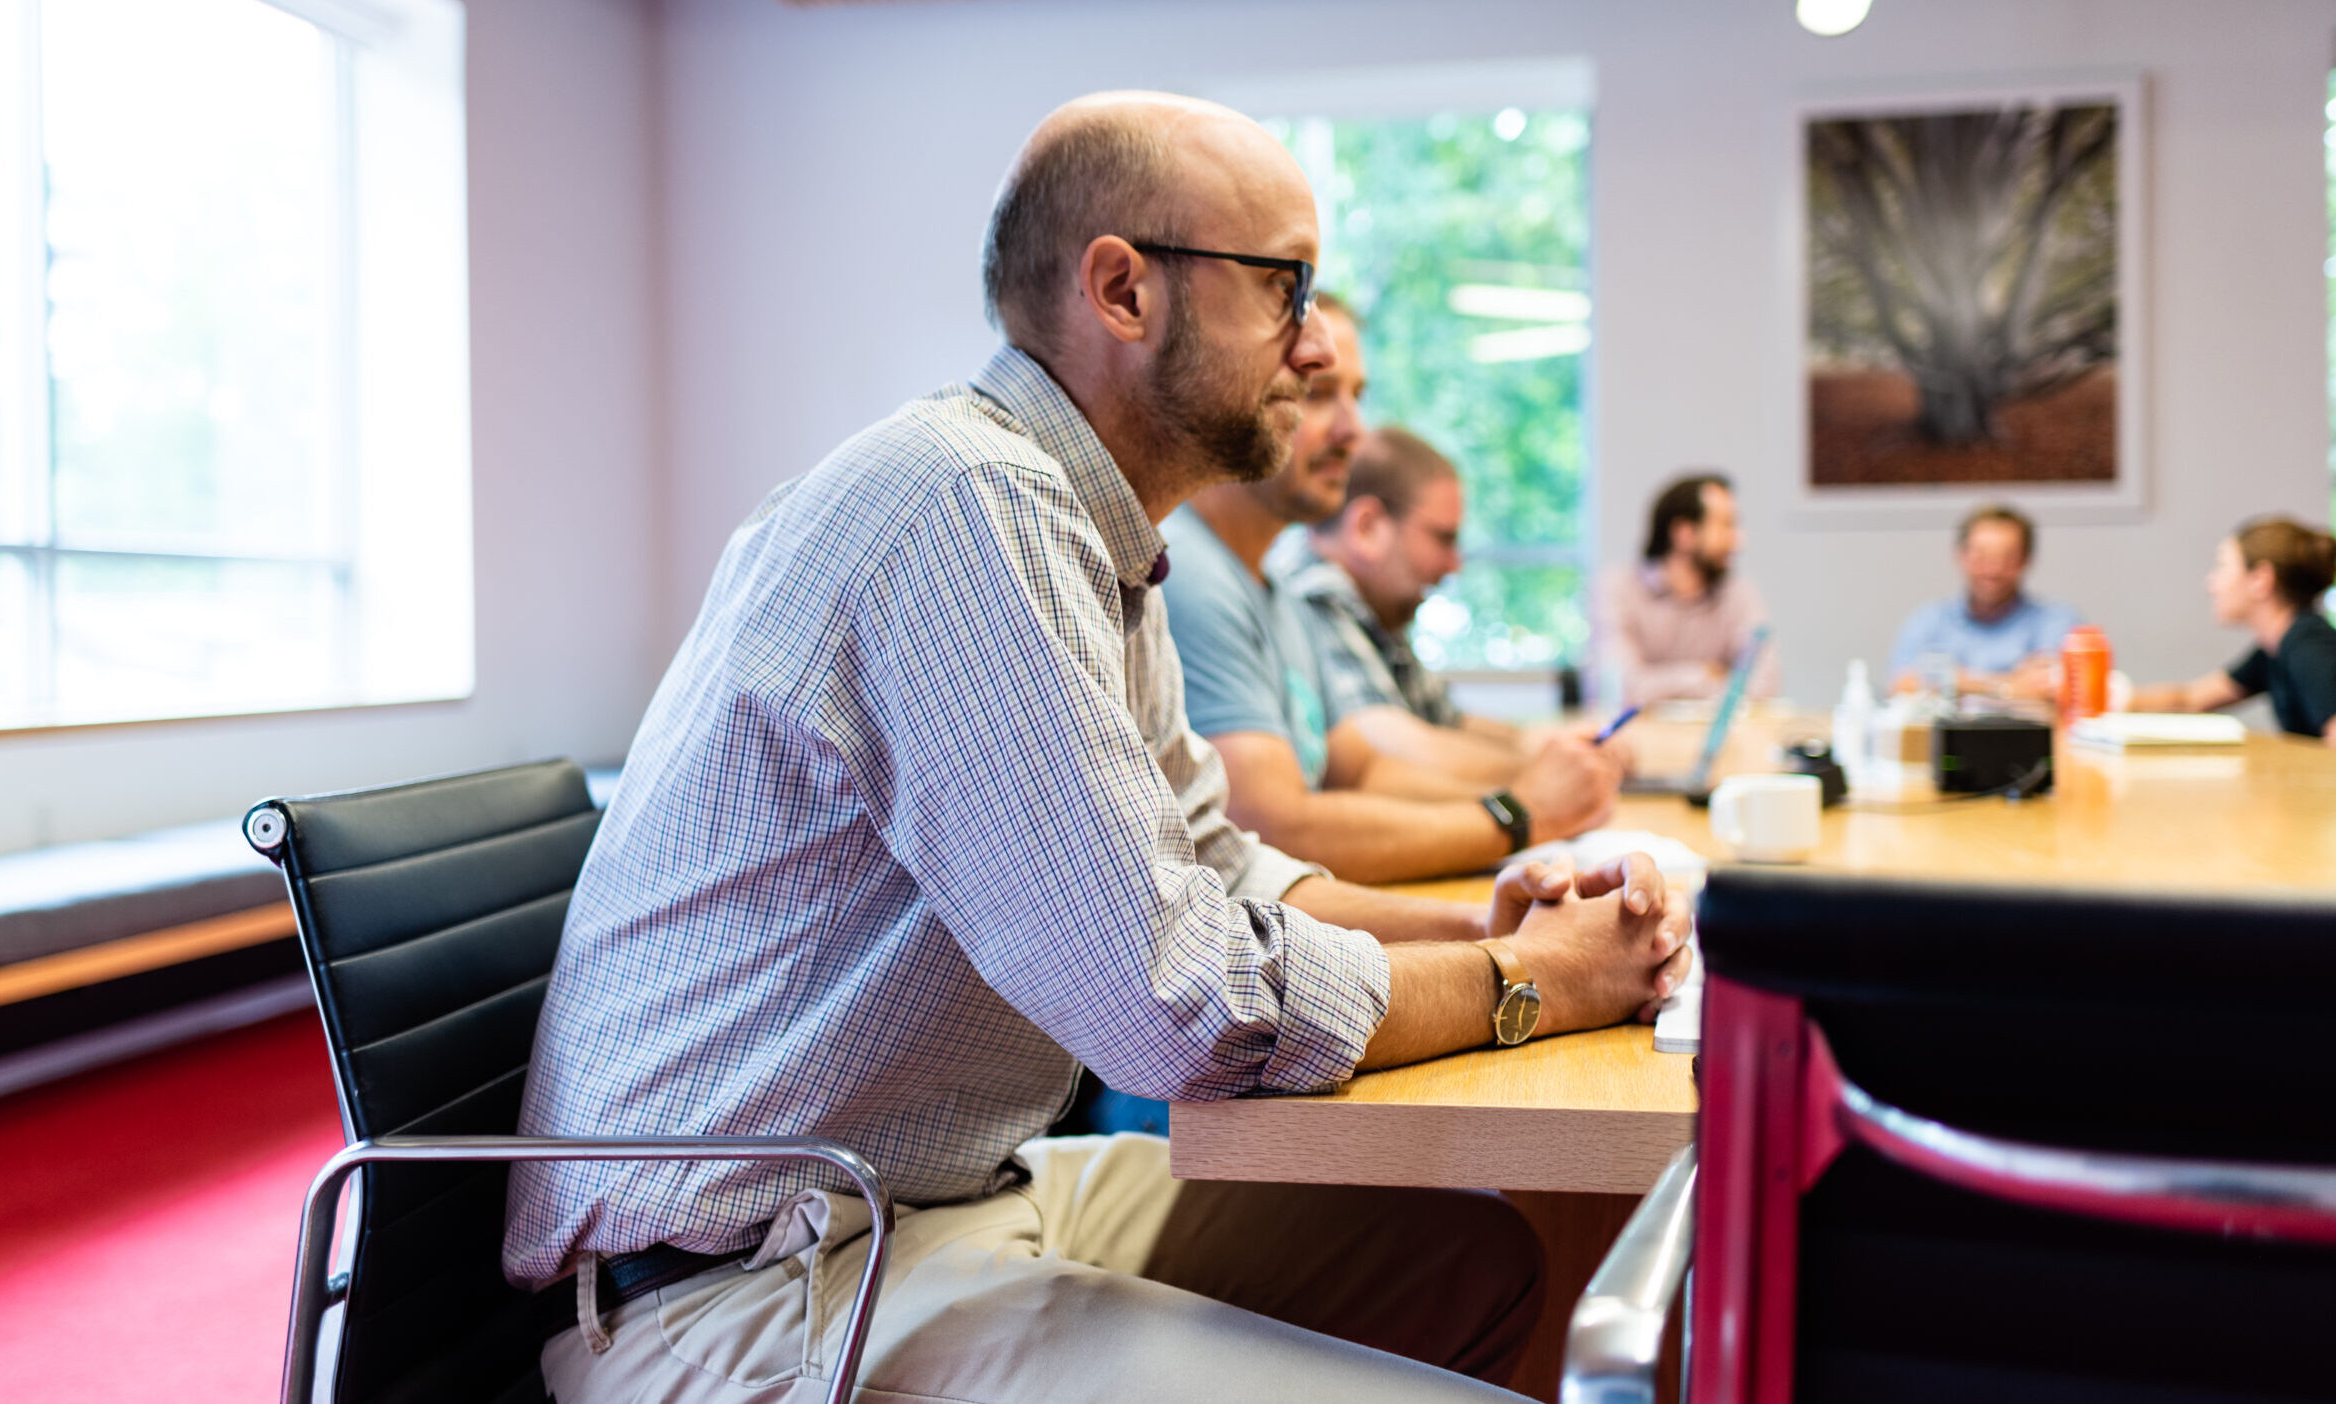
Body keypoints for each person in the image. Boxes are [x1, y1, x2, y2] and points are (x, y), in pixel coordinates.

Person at [506, 91, 1693, 1404]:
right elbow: (1184, 1008)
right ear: (1124, 291)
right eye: (1284, 288)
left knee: (1474, 1262)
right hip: (760, 1294)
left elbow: (1223, 870)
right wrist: (1529, 981)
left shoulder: (1090, 532)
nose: (1313, 351)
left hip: (931, 1205)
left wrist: (1483, 921)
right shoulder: (968, 506)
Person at [1161, 298, 1622, 886]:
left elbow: (1367, 770)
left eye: (1357, 395)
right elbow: (1270, 829)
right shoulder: (1190, 569)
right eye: (1318, 392)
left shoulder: (1274, 592)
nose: (1355, 430)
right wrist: (1518, 814)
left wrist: (1538, 794)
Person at [1273, 424, 1598, 789]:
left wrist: (1551, 743)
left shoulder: (1378, 611)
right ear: (1367, 527)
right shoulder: (1314, 596)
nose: (1454, 564)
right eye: (1443, 538)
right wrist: (1550, 764)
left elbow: (1448, 721)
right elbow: (1399, 752)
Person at [2130, 517, 2336, 749]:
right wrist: (2118, 698)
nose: (2211, 584)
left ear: (2260, 580)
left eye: (2222, 567)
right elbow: (2191, 699)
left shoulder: (2310, 648)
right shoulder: (2275, 648)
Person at [1596, 472, 1779, 706]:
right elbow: (1621, 689)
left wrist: (1660, 684)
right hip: (1638, 739)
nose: (1738, 541)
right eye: (1725, 525)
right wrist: (1704, 674)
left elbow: (1765, 685)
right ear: (1684, 534)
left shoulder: (1739, 593)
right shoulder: (1619, 588)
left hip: (1717, 741)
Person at [1886, 503, 2080, 699]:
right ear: (1961, 556)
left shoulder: (2056, 622)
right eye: (1981, 556)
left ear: (2026, 559)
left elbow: (2058, 688)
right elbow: (1902, 685)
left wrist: (1952, 680)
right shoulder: (1929, 620)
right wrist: (2004, 686)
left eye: (2007, 558)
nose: (1993, 570)